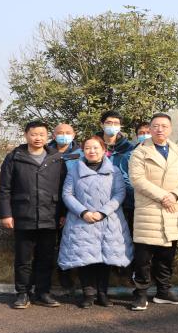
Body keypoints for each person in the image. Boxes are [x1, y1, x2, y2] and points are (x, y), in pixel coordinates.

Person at [58, 136, 134, 308]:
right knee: (85, 258)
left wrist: (102, 212)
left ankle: (102, 293)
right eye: (87, 148)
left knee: (105, 258)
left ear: (104, 150)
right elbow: (67, 194)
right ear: (82, 151)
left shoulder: (114, 170)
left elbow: (119, 194)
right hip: (81, 221)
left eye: (95, 148)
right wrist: (83, 212)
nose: (91, 151)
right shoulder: (74, 170)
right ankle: (88, 294)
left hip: (108, 220)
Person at [0, 121, 66, 309]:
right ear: (26, 135)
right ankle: (22, 293)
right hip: (23, 215)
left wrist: (63, 213)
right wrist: (6, 214)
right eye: (34, 134)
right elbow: (4, 189)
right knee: (23, 259)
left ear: (48, 136)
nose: (38, 138)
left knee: (46, 258)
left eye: (42, 134)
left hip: (50, 215)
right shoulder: (14, 157)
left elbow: (63, 188)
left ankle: (43, 293)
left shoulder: (56, 158)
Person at [128, 113, 178, 310]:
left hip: (172, 209)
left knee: (166, 255)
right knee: (143, 257)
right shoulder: (140, 152)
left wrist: (175, 195)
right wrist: (164, 196)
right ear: (150, 129)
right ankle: (140, 294)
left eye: (164, 126)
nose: (160, 129)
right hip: (149, 210)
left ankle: (163, 291)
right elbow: (137, 179)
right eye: (155, 126)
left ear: (170, 129)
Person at [46, 122, 81, 295]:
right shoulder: (45, 152)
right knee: (47, 243)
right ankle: (44, 278)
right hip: (48, 204)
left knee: (68, 243)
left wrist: (68, 211)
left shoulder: (80, 154)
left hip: (72, 205)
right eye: (60, 133)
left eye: (68, 132)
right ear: (54, 135)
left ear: (74, 135)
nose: (64, 135)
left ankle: (66, 276)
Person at [97, 111, 137, 232]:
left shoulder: (129, 148)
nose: (112, 126)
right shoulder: (92, 145)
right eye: (109, 123)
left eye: (116, 123)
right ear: (102, 125)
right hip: (97, 199)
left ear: (121, 126)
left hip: (125, 201)